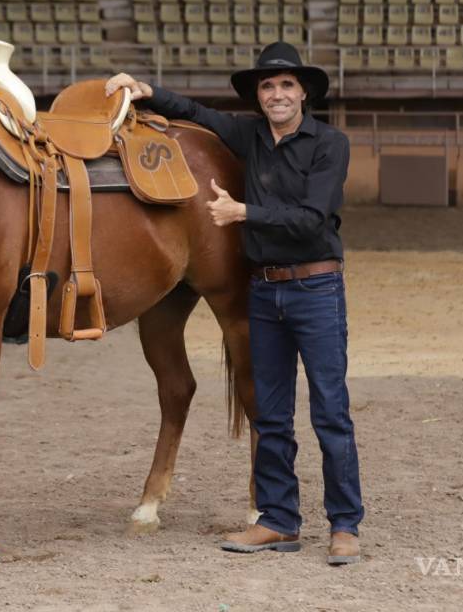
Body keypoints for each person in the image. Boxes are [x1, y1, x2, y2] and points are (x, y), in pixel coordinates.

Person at [105, 42, 364, 565]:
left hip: (315, 288)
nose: (277, 94)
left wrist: (245, 211)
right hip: (265, 290)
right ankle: (277, 521)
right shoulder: (250, 137)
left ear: (304, 92)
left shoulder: (329, 145)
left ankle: (344, 525)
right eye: (268, 87)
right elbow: (197, 115)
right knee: (269, 414)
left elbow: (314, 217)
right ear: (259, 97)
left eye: (287, 85)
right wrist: (148, 90)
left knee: (330, 412)